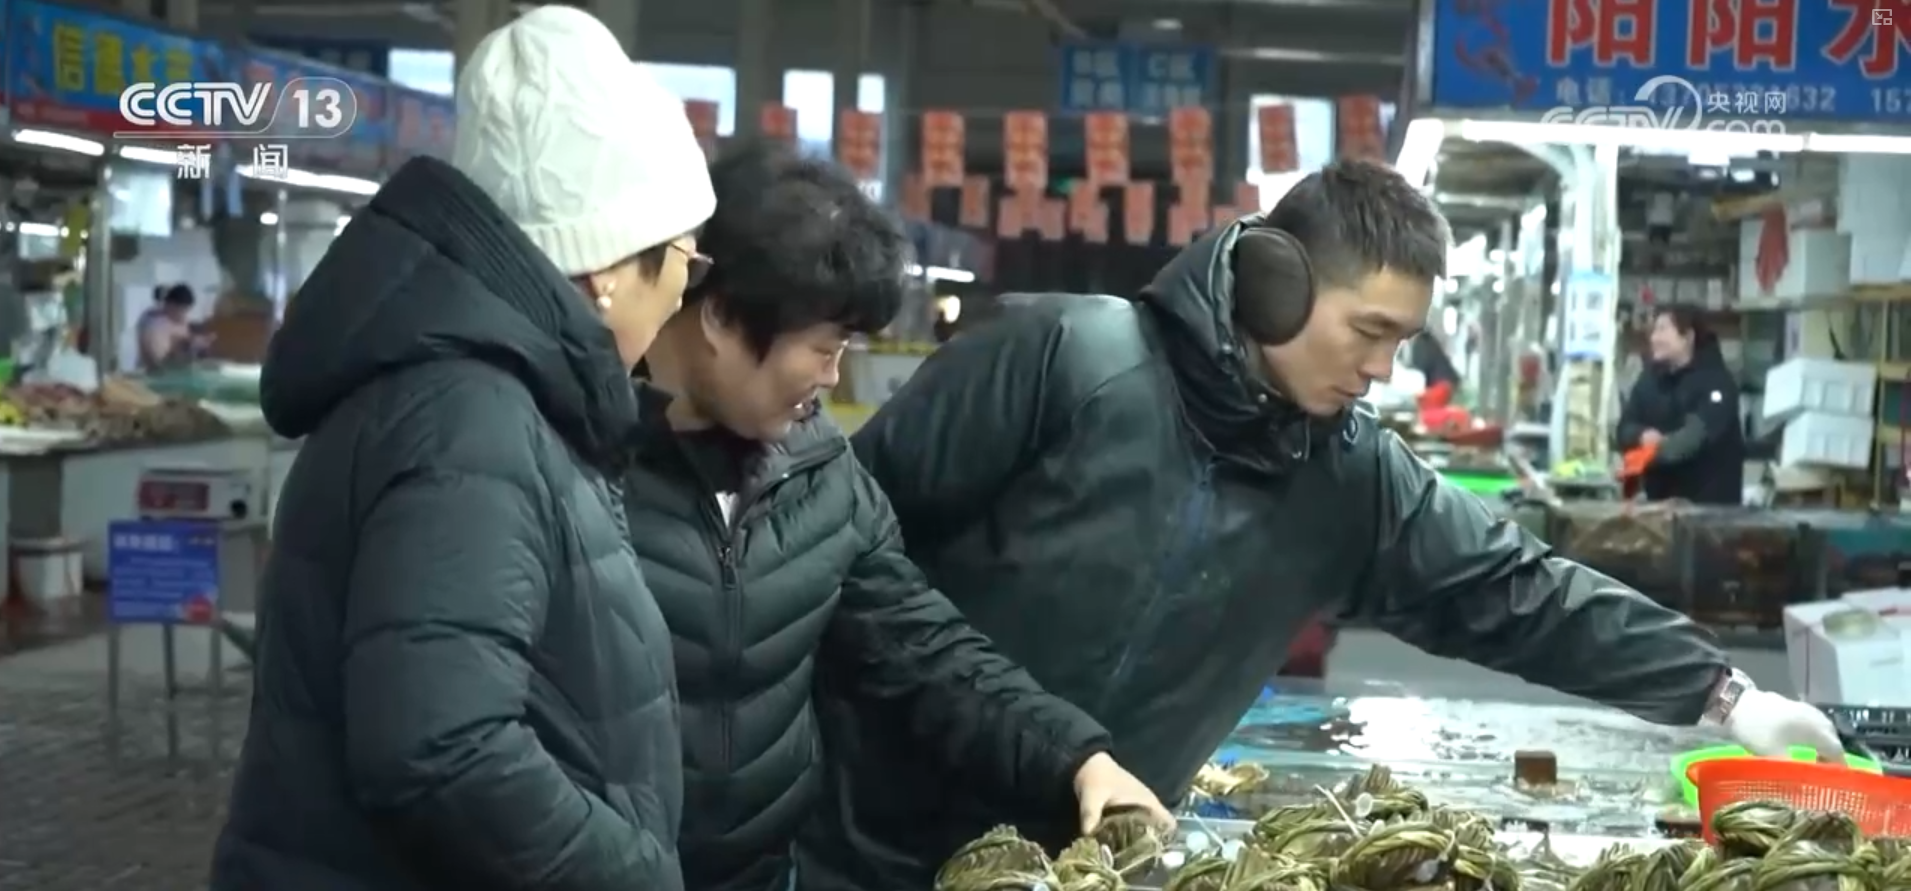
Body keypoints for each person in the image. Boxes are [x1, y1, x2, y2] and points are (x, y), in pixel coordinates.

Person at [804, 159, 1844, 891]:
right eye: (1370, 332)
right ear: (1276, 285)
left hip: (1083, 869)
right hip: (861, 845)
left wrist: (1726, 695)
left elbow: (1517, 590)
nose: (1382, 370)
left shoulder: (1350, 478)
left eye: (1402, 342)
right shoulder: (1068, 361)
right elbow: (841, 547)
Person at [210, 9, 713, 891]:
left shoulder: (494, 400)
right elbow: (442, 746)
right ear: (603, 271)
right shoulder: (466, 419)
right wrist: (634, 874)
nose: (680, 295)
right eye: (680, 261)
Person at [623, 142, 1169, 891]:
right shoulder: (577, 464)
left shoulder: (820, 474)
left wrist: (1075, 757)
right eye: (823, 347)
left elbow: (922, 647)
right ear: (718, 315)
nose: (832, 376)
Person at [1616, 304, 1745, 504]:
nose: (1654, 339)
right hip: (1659, 507)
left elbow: (1692, 439)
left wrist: (1645, 455)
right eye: (1653, 331)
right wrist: (1640, 435)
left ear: (1688, 337)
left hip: (1708, 510)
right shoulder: (1649, 380)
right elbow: (1624, 427)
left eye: (1663, 330)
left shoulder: (1718, 384)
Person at [136, 284, 202, 371]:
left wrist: (192, 343)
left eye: (186, 311)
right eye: (182, 310)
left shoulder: (180, 321)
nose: (183, 315)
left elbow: (183, 342)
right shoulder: (153, 322)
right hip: (153, 372)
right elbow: (155, 359)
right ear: (170, 305)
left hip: (173, 370)